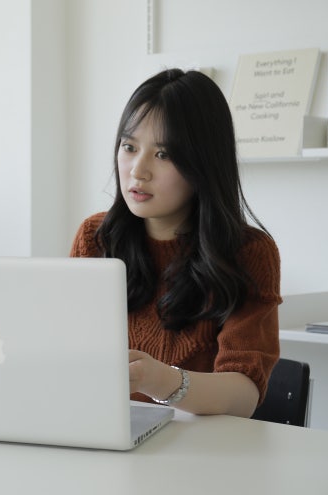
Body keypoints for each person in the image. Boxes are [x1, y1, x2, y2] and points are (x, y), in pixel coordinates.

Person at [70, 68, 281, 418]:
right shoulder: (97, 238)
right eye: (129, 146)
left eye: (163, 154)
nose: (138, 170)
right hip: (100, 435)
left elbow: (244, 394)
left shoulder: (248, 252)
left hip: (197, 455)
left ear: (203, 163)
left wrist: (158, 380)